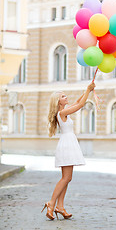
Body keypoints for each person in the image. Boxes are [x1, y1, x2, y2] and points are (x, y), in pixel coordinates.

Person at [41, 82, 96, 220]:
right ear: (58, 101)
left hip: (67, 144)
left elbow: (78, 101)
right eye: (63, 96)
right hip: (67, 145)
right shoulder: (62, 112)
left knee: (66, 179)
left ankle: (60, 206)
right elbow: (80, 105)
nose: (66, 97)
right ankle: (52, 203)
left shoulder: (64, 112)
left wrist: (87, 90)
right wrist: (88, 90)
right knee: (66, 178)